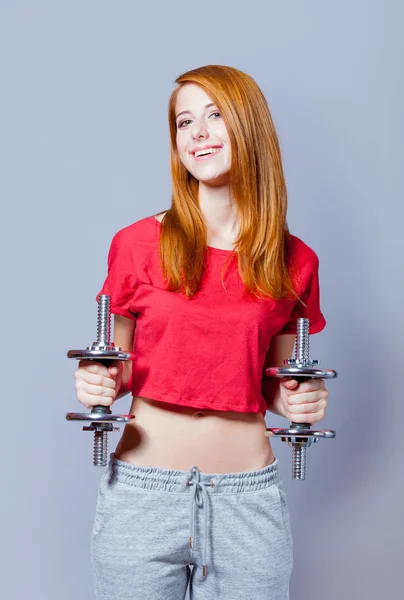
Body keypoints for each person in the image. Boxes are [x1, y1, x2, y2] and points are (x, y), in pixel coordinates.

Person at [74, 64, 329, 600]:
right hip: (143, 500)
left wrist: (300, 400)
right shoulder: (137, 244)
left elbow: (275, 387)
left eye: (215, 115)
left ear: (249, 126)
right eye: (184, 122)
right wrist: (95, 384)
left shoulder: (295, 261)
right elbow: (113, 368)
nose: (198, 133)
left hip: (247, 502)